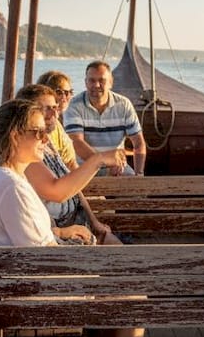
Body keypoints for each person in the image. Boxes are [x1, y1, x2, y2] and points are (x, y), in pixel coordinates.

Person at [15, 84, 123, 245]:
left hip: (78, 224)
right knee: (130, 260)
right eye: (45, 109)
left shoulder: (47, 143)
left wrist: (94, 222)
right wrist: (99, 159)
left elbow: (73, 188)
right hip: (58, 235)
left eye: (54, 107)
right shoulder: (27, 152)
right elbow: (57, 192)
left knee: (125, 254)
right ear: (27, 114)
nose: (54, 114)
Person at [0, 99, 88, 247]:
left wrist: (61, 233)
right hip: (36, 266)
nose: (46, 139)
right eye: (39, 132)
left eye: (45, 131)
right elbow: (43, 256)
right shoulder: (13, 188)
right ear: (15, 136)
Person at [62, 61, 147, 176]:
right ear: (86, 82)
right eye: (92, 80)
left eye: (102, 80)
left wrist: (139, 174)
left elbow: (138, 143)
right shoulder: (74, 105)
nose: (96, 85)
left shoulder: (124, 105)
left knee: (137, 191)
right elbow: (77, 143)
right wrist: (106, 163)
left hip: (117, 167)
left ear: (111, 83)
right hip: (83, 167)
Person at [35, 70, 79, 169]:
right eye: (59, 92)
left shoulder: (57, 124)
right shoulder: (39, 128)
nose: (65, 97)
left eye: (69, 92)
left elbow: (70, 162)